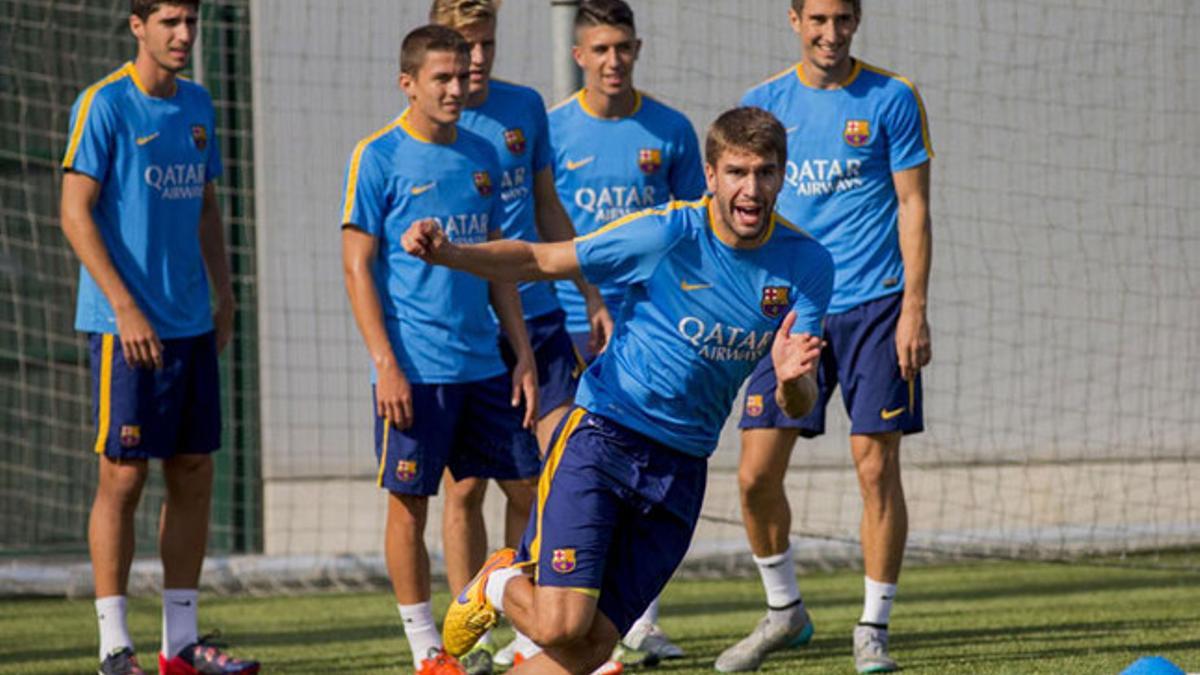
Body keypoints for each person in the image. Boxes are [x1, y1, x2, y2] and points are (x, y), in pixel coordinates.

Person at [408, 106, 834, 675]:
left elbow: (796, 401)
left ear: (783, 175)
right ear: (710, 176)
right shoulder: (666, 232)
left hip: (681, 471)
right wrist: (450, 254)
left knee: (587, 650)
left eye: (765, 172)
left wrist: (789, 380)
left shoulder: (808, 265)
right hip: (605, 437)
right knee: (561, 622)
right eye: (736, 172)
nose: (751, 188)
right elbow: (541, 258)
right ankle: (500, 581)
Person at [716, 1, 934, 672]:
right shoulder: (762, 104)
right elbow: (740, 214)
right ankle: (786, 610)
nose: (830, 33)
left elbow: (913, 204)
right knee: (754, 475)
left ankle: (873, 627)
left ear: (857, 19)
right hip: (787, 310)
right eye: (818, 19)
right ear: (793, 19)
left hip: (875, 306)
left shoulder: (894, 97)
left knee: (875, 464)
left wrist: (914, 308)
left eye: (842, 19)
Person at [59, 2, 260, 674]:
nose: (182, 35)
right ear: (136, 25)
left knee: (194, 469)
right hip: (127, 329)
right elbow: (73, 210)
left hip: (190, 324)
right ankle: (114, 643)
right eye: (169, 21)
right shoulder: (104, 104)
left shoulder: (199, 105)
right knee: (122, 475)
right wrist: (124, 306)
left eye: (190, 22)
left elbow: (204, 200)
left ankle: (181, 642)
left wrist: (223, 287)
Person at [339, 24, 541, 672]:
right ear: (409, 84)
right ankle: (428, 644)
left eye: (463, 75)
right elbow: (356, 266)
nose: (458, 87)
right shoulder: (377, 156)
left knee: (527, 488)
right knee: (411, 503)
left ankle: (521, 633)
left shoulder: (484, 154)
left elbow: (498, 263)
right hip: (415, 370)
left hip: (485, 363)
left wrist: (524, 353)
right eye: (442, 79)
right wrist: (386, 365)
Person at [426, 1, 614, 671]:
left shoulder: (525, 107)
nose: (477, 60)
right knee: (467, 486)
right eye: (467, 45)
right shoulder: (432, 117)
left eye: (488, 44)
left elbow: (545, 204)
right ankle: (463, 628)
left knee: (550, 471)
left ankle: (527, 624)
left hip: (536, 310)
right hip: (466, 326)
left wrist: (586, 289)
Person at [546, 0, 708, 658]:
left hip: (651, 328)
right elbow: (538, 225)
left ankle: (636, 621)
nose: (614, 61)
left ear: (637, 49)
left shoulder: (670, 130)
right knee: (563, 464)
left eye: (624, 48)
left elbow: (701, 228)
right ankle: (544, 595)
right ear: (579, 55)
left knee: (646, 467)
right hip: (567, 320)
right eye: (601, 49)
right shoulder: (552, 132)